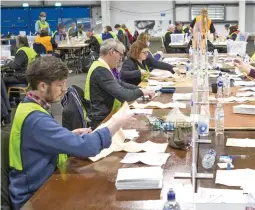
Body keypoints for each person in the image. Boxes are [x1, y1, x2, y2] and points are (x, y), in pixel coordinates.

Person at [8, 56, 140, 210]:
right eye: (60, 84)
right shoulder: (36, 119)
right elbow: (86, 147)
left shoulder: (28, 106)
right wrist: (116, 123)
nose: (65, 89)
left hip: (42, 183)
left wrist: (68, 135)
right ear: (42, 86)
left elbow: (40, 139)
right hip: (34, 197)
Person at [84, 39, 155, 129]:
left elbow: (120, 83)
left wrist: (140, 88)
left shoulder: (100, 66)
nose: (121, 59)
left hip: (105, 115)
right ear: (112, 52)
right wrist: (141, 91)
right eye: (120, 55)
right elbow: (124, 95)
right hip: (103, 121)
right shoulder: (100, 70)